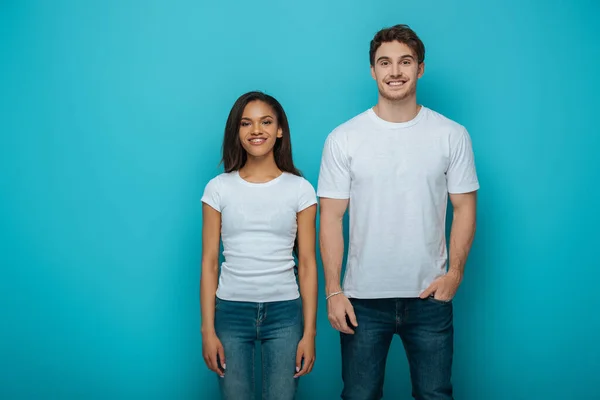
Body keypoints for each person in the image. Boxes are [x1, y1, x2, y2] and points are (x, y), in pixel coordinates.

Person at [317, 24, 479, 400]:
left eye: (405, 62)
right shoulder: (344, 138)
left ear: (420, 68)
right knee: (358, 396)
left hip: (429, 297)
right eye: (384, 63)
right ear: (372, 70)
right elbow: (330, 218)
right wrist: (333, 290)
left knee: (435, 395)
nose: (394, 72)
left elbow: (465, 206)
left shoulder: (451, 134)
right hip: (361, 300)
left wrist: (454, 274)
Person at [200, 91, 318, 400]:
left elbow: (307, 262)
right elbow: (210, 261)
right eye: (246, 123)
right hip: (230, 313)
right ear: (236, 132)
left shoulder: (301, 189)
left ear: (279, 130)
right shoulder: (218, 188)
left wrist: (310, 333)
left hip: (285, 315)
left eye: (266, 122)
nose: (256, 130)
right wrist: (207, 330)